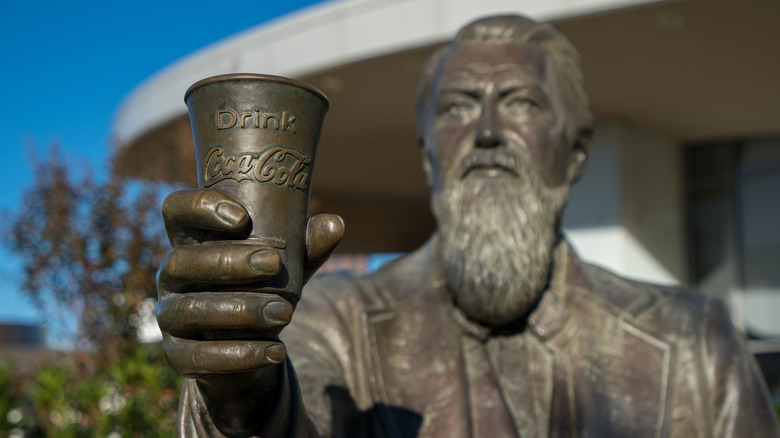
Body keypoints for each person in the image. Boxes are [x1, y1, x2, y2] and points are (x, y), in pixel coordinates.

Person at [157, 15, 780, 437]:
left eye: (521, 103)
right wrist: (240, 396)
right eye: (458, 108)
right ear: (429, 154)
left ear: (577, 151)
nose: (486, 133)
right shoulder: (332, 322)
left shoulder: (697, 344)